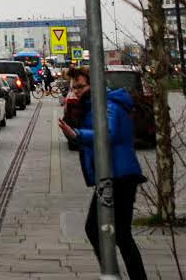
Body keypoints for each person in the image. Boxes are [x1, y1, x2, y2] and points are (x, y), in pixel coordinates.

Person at [58, 66, 147, 280]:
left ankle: (114, 273)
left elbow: (109, 133)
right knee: (114, 233)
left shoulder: (108, 104)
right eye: (74, 87)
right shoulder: (92, 105)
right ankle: (114, 272)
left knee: (111, 232)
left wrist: (77, 134)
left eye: (80, 86)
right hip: (110, 175)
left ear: (93, 84)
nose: (76, 91)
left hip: (120, 175)